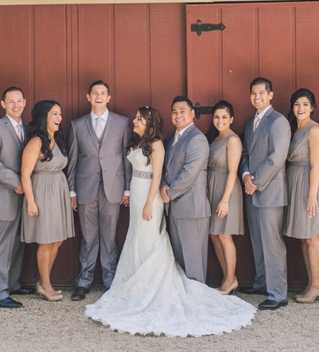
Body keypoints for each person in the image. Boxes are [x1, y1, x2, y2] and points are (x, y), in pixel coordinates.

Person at [86, 106, 255, 337]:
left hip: (154, 196)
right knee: (138, 236)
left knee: (150, 239)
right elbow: (164, 170)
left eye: (139, 118)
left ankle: (172, 290)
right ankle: (137, 284)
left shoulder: (181, 141)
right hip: (139, 193)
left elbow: (173, 172)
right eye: (174, 111)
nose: (134, 121)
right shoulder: (159, 141)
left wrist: (158, 196)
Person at [67, 80, 132, 301]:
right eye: (94, 92)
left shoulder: (122, 123)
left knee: (110, 235)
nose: (98, 96)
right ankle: (83, 282)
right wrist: (72, 191)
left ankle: (110, 280)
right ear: (88, 97)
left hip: (113, 188)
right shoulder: (77, 125)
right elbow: (73, 160)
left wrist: (127, 189)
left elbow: (126, 158)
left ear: (109, 98)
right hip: (85, 188)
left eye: (103, 93)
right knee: (88, 236)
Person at [238, 78, 291, 310]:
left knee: (272, 242)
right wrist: (246, 176)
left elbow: (276, 157)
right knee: (258, 241)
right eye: (253, 93)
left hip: (270, 191)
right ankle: (262, 282)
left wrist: (256, 182)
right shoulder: (251, 123)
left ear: (270, 95)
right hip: (252, 189)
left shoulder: (278, 121)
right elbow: (247, 154)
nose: (256, 97)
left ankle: (278, 293)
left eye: (261, 92)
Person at [0, 87, 33, 309]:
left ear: (24, 102)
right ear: (3, 104)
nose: (16, 105)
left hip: (22, 196)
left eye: (19, 101)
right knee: (0, 244)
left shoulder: (27, 129)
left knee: (16, 243)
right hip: (3, 194)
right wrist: (17, 182)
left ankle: (12, 283)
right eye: (10, 102)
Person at [283, 88, 319, 304]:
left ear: (312, 107)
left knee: (313, 236)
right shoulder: (295, 130)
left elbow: (316, 165)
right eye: (297, 104)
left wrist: (312, 195)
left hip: (310, 184)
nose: (300, 108)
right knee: (305, 236)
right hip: (296, 182)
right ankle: (312, 282)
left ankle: (318, 284)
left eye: (305, 104)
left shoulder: (314, 130)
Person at [20, 100, 74, 301]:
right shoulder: (35, 143)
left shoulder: (57, 139)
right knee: (46, 239)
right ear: (44, 117)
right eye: (54, 114)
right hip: (42, 192)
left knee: (57, 239)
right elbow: (25, 174)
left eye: (60, 114)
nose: (59, 118)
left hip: (58, 189)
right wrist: (31, 202)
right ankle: (45, 284)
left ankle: (44, 281)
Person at [160, 96, 211, 283]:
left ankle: (197, 301)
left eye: (182, 111)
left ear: (192, 114)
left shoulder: (197, 139)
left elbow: (189, 173)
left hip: (192, 208)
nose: (178, 115)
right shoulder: (172, 139)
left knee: (193, 260)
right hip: (174, 208)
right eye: (174, 111)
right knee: (180, 258)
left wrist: (169, 193)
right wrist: (163, 185)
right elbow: (165, 168)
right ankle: (186, 298)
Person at [206, 100, 244, 295]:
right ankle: (226, 275)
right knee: (214, 235)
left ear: (231, 119)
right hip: (211, 187)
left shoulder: (232, 140)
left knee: (224, 235)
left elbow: (232, 172)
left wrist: (225, 200)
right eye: (217, 117)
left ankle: (230, 279)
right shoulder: (214, 139)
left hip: (225, 189)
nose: (220, 121)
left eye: (224, 117)